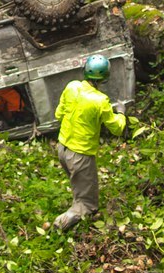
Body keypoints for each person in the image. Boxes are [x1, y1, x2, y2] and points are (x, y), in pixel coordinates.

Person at [53, 54, 125, 231]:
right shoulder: (101, 101)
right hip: (80, 156)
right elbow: (117, 128)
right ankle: (60, 226)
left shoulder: (71, 87)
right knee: (88, 204)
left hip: (62, 148)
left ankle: (78, 216)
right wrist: (122, 113)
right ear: (105, 77)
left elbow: (58, 114)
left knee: (79, 188)